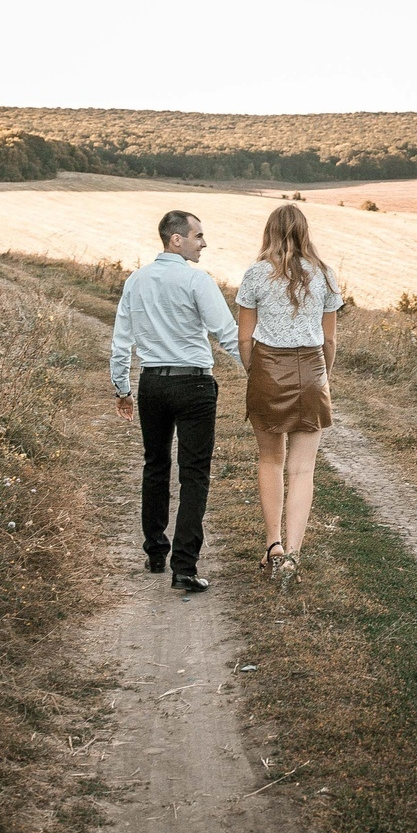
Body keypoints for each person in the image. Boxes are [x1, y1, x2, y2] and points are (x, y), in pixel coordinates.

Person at [110, 209, 242, 592]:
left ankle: (155, 551)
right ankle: (183, 567)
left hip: (153, 384)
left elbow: (122, 340)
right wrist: (261, 377)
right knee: (194, 473)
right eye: (199, 236)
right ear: (176, 239)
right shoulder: (197, 280)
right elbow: (227, 335)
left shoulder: (136, 280)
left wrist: (123, 388)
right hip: (194, 386)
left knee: (155, 465)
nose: (204, 243)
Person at [234, 203, 343, 584]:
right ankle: (294, 556)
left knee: (270, 460)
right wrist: (321, 376)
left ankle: (273, 545)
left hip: (267, 367)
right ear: (305, 232)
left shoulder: (256, 274)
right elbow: (329, 339)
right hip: (311, 369)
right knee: (303, 468)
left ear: (270, 232)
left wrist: (255, 372)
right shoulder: (326, 275)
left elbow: (244, 338)